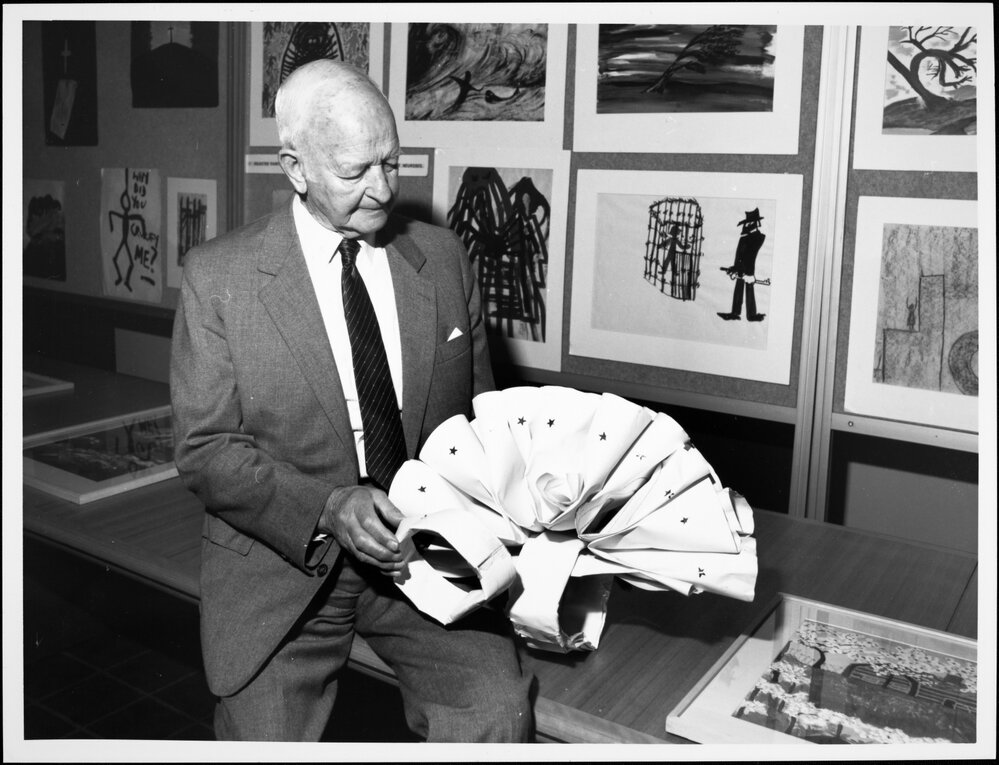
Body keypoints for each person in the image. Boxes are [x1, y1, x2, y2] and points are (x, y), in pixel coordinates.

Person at [170, 59, 533, 742]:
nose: (381, 189)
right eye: (354, 171)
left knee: (496, 712)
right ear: (295, 167)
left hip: (427, 558)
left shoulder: (444, 258)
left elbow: (484, 420)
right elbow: (205, 449)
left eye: (392, 162)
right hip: (280, 565)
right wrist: (326, 507)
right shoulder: (218, 278)